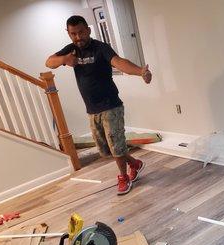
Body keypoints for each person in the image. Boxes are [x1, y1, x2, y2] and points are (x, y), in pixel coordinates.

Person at [45, 15, 152, 195]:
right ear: (68, 34)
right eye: (73, 34)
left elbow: (119, 63)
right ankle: (135, 163)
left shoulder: (101, 48)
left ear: (88, 29)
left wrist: (140, 72)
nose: (78, 37)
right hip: (92, 109)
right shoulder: (71, 50)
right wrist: (65, 59)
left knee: (116, 146)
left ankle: (123, 177)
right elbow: (49, 61)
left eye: (81, 32)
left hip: (110, 104)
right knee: (107, 149)